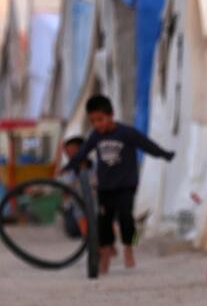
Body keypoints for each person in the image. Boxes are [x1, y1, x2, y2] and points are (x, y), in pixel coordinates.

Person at [63, 95, 174, 273]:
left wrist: (165, 154)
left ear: (111, 115)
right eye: (93, 121)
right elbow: (82, 153)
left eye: (100, 119)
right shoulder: (95, 136)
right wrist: (67, 167)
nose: (97, 125)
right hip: (105, 187)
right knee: (104, 221)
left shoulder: (126, 133)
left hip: (126, 185)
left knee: (126, 218)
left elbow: (147, 145)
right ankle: (106, 253)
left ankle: (130, 248)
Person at [60, 136, 91, 239]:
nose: (71, 155)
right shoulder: (67, 170)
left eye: (74, 151)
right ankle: (86, 236)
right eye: (68, 152)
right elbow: (63, 190)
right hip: (76, 207)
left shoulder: (94, 167)